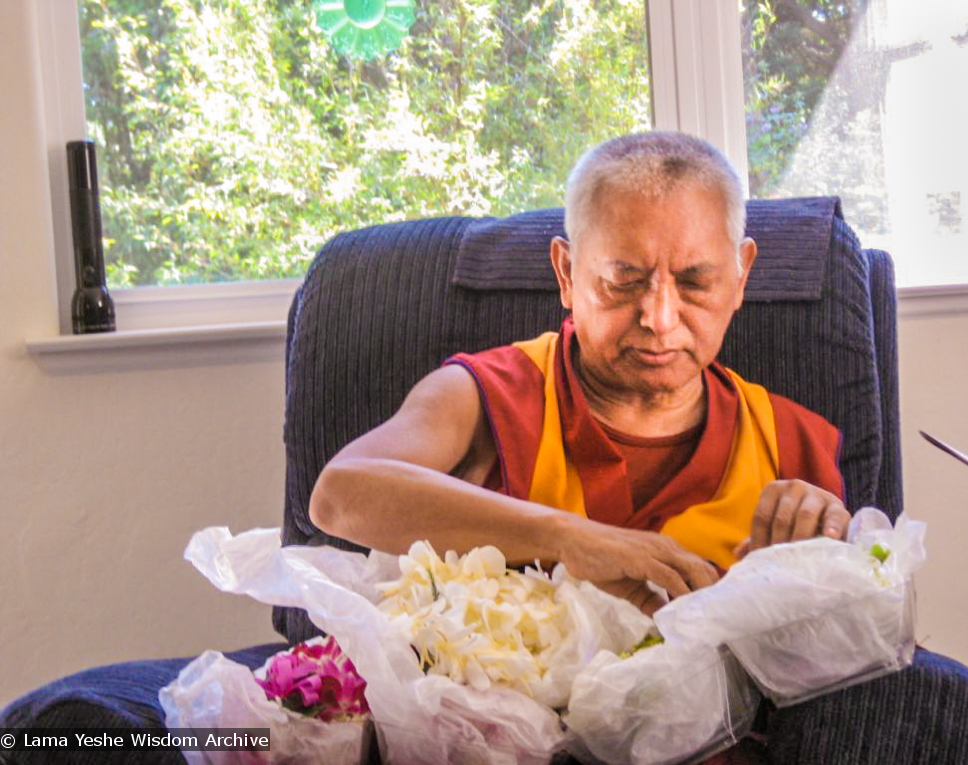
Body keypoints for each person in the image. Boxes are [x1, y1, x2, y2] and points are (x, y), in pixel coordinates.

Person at [309, 131, 849, 617]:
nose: (659, 319)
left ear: (740, 276)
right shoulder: (493, 394)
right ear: (566, 273)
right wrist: (566, 539)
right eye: (623, 281)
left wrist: (828, 544)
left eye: (695, 283)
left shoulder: (785, 438)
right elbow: (339, 495)